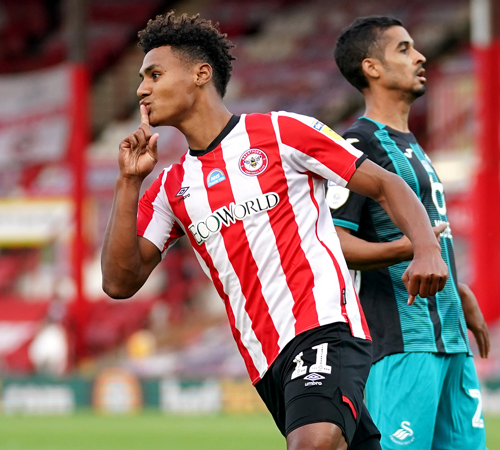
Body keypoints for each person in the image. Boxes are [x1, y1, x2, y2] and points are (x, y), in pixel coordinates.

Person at [101, 12, 450, 450]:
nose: (141, 89)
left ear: (200, 74)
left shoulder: (282, 132)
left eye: (154, 74)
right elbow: (119, 282)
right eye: (142, 78)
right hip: (266, 359)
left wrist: (425, 248)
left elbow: (385, 184)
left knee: (312, 443)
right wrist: (128, 182)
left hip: (325, 325)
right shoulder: (171, 188)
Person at [331, 16, 489, 449]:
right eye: (403, 49)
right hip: (403, 342)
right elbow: (334, 242)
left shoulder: (411, 145)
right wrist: (410, 249)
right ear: (371, 67)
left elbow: (431, 237)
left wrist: (456, 289)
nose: (419, 56)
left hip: (450, 340)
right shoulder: (358, 147)